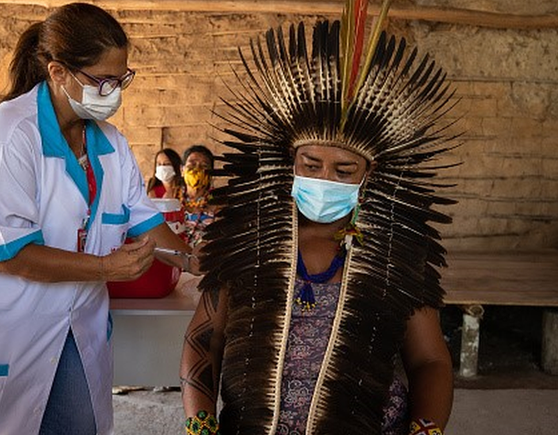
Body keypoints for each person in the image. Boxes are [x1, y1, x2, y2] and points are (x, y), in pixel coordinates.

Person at [0, 3, 194, 434]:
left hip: (72, 325)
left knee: (77, 423)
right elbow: (5, 255)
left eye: (121, 78)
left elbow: (143, 219)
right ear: (58, 73)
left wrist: (191, 261)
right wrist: (105, 268)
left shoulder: (109, 144)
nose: (113, 90)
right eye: (102, 80)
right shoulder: (7, 138)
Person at [180, 12, 456, 435]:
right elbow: (203, 339)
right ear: (289, 161)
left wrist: (426, 428)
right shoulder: (247, 240)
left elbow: (430, 360)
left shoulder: (393, 251)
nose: (324, 180)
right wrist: (200, 423)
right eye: (311, 165)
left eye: (344, 171)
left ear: (369, 174)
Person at [179, 144, 217, 247]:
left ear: (211, 174)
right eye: (192, 164)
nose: (197, 169)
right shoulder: (171, 200)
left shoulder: (218, 204)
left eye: (204, 166)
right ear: (182, 170)